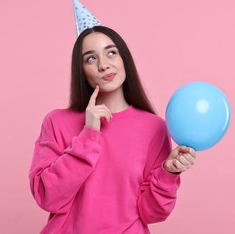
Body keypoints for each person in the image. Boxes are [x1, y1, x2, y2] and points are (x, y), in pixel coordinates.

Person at [29, 24, 196, 233]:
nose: (104, 65)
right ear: (81, 70)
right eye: (91, 58)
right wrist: (88, 135)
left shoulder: (154, 128)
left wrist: (168, 173)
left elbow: (151, 213)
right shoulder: (56, 122)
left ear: (124, 59)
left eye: (111, 53)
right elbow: (47, 196)